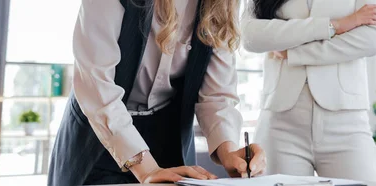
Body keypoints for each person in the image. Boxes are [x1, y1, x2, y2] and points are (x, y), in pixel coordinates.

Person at [48, 0, 265, 185]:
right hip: (96, 136)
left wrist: (228, 150)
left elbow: (217, 96)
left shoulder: (222, 4)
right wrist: (148, 169)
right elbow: (96, 85)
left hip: (168, 135)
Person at [241, 0, 376, 182]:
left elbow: (372, 39)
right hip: (280, 121)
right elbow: (250, 35)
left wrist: (296, 53)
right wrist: (334, 25)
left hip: (346, 121)